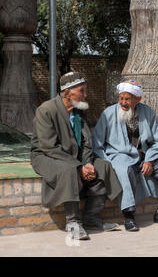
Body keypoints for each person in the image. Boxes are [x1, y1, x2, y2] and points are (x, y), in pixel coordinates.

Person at [31, 72, 122, 240]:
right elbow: (48, 146)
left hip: (75, 157)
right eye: (81, 91)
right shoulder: (46, 110)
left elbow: (87, 142)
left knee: (103, 166)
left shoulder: (79, 111)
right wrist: (79, 166)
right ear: (67, 93)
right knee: (69, 170)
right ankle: (73, 223)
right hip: (46, 156)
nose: (85, 95)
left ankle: (92, 217)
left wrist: (87, 163)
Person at [92, 80, 158, 232]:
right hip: (120, 156)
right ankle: (129, 216)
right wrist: (107, 162)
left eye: (127, 99)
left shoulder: (147, 112)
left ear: (137, 99)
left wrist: (149, 160)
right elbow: (96, 142)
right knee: (125, 171)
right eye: (121, 98)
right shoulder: (109, 113)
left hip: (145, 156)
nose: (123, 102)